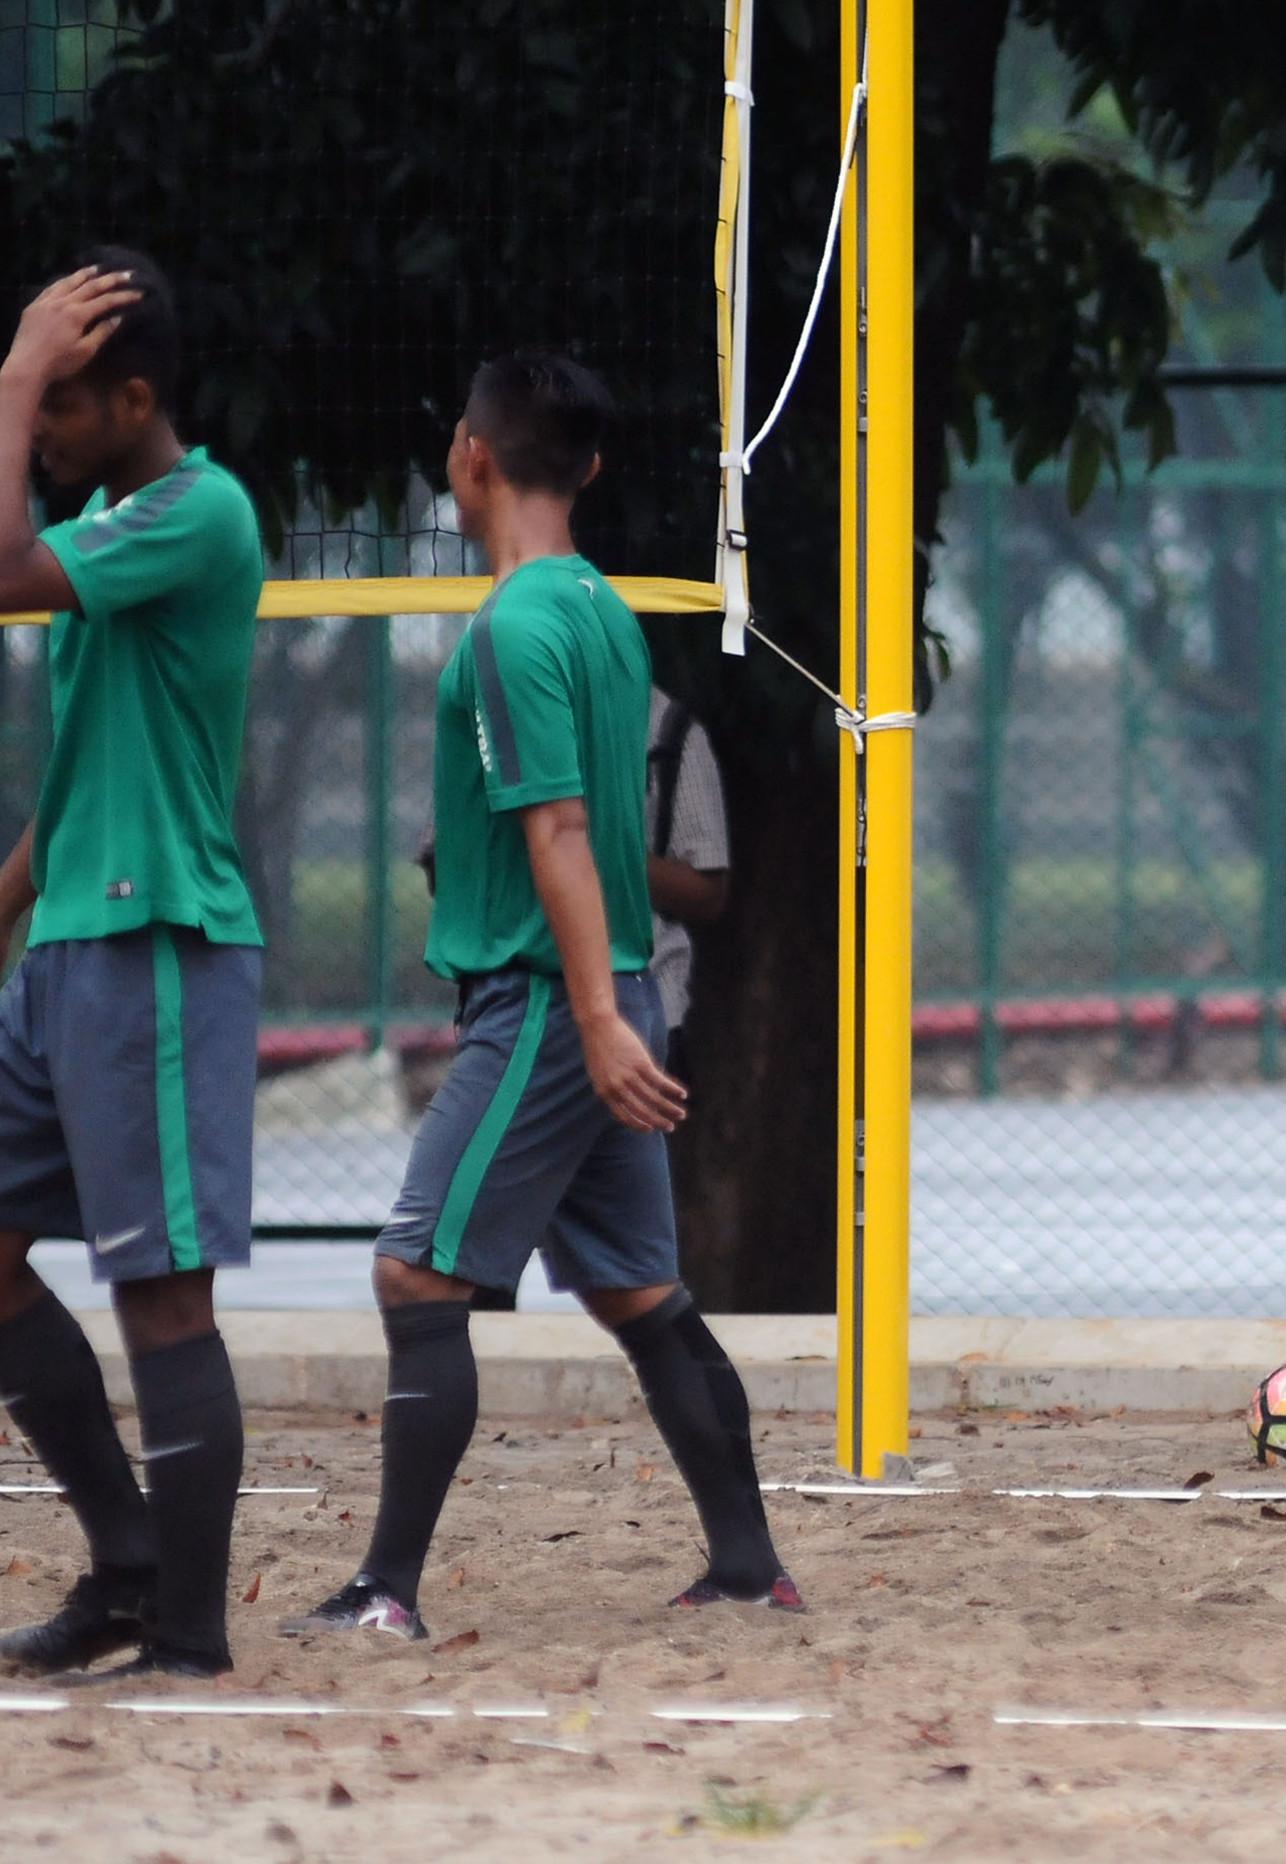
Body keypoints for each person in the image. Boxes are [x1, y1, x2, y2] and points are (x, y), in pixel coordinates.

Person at [282, 353, 798, 1642]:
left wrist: (594, 1017)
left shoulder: (515, 624)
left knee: (415, 1275)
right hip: (600, 991)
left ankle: (385, 1591)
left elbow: (565, 831)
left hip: (552, 1006)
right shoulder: (598, 610)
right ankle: (747, 1566)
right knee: (640, 1293)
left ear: (469, 454)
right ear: (594, 468)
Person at [0, 251, 264, 1683]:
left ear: (135, 396)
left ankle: (188, 1632)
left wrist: (9, 372)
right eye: (33, 405)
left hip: (160, 944)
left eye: (62, 403)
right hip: (67, 944)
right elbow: (80, 768)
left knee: (160, 1297)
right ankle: (126, 1561)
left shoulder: (200, 509)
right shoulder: (118, 520)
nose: (39, 430)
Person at [645, 687, 729, 1073]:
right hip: (513, 1013)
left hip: (644, 1006)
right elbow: (442, 857)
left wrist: (587, 853)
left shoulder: (665, 729)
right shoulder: (488, 714)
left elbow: (708, 891)